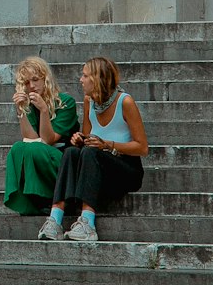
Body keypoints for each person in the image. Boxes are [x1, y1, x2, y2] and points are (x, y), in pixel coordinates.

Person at [37, 55, 148, 244]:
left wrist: (107, 145)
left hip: (125, 169)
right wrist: (79, 139)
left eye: (85, 75)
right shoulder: (89, 101)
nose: (80, 80)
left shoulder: (125, 102)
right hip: (96, 169)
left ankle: (87, 223)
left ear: (97, 79)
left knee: (90, 152)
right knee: (72, 151)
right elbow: (88, 140)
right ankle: (55, 220)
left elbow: (142, 147)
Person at [3, 56, 80, 215]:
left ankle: (48, 198)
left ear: (46, 79)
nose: (31, 86)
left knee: (35, 149)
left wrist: (44, 110)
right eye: (26, 83)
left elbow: (47, 140)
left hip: (64, 161)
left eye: (35, 80)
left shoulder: (66, 102)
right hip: (40, 154)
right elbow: (30, 140)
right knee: (18, 148)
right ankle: (32, 200)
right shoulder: (30, 104)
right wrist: (21, 112)